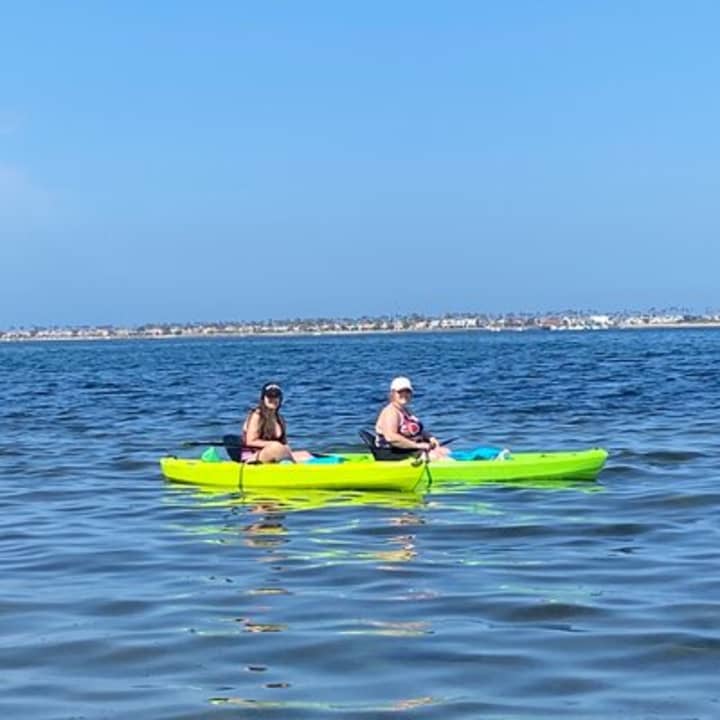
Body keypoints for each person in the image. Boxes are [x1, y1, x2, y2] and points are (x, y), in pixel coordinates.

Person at [374, 376, 452, 461]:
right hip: (392, 452)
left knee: (446, 451)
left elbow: (417, 430)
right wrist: (417, 445)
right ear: (392, 393)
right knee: (440, 458)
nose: (404, 395)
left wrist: (430, 438)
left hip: (407, 449)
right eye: (400, 392)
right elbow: (391, 437)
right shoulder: (391, 412)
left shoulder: (405, 410)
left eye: (407, 391)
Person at [241, 382, 312, 463]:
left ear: (280, 398)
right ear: (263, 398)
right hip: (253, 457)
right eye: (269, 396)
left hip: (274, 453)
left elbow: (284, 444)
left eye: (276, 396)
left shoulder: (279, 418)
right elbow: (250, 441)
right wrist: (275, 445)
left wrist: (283, 448)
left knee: (305, 454)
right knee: (276, 447)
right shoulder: (257, 415)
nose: (273, 399)